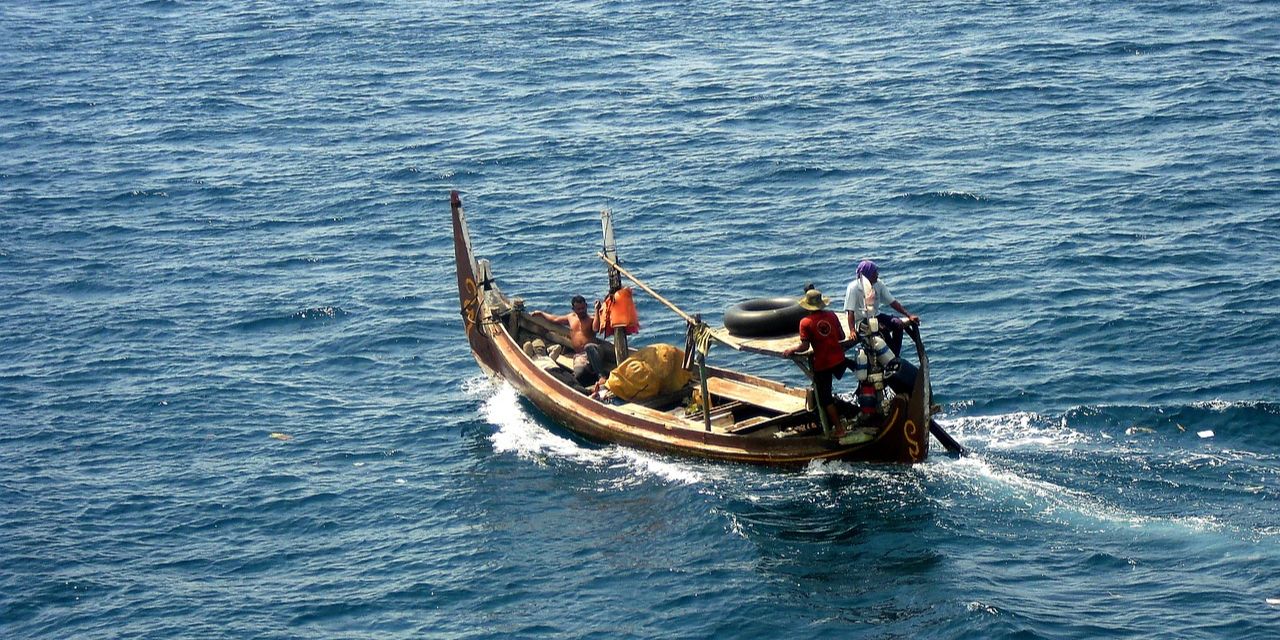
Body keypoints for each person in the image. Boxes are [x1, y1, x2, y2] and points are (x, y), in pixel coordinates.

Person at [782, 289, 850, 437]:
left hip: (823, 364)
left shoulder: (805, 323)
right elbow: (842, 336)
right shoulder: (832, 315)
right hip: (839, 360)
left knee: (826, 399)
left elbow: (805, 347)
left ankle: (839, 430)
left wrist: (791, 349)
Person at [844, 260, 919, 356]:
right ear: (868, 275)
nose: (877, 275)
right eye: (874, 273)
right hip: (861, 320)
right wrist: (852, 331)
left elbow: (892, 302)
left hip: (876, 315)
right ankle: (891, 357)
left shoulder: (878, 284)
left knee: (898, 324)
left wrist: (909, 315)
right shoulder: (853, 287)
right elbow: (850, 311)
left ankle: (895, 354)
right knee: (882, 329)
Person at [531, 295, 607, 386]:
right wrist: (541, 314)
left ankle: (602, 376)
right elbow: (555, 319)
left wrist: (597, 310)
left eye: (583, 308)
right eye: (578, 309)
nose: (581, 311)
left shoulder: (591, 319)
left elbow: (596, 329)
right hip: (580, 356)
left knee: (589, 347)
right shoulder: (571, 317)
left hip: (594, 352)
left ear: (586, 306)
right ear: (573, 309)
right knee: (579, 374)